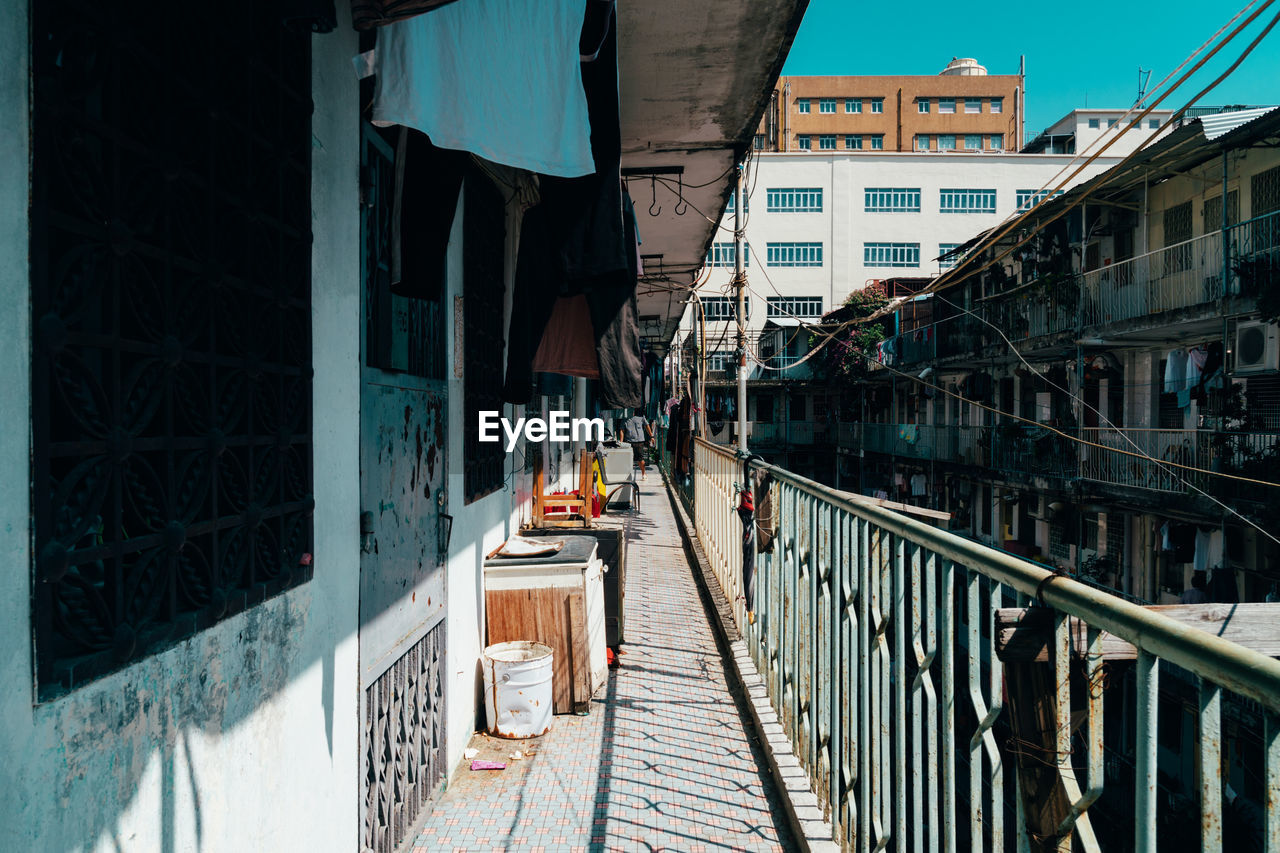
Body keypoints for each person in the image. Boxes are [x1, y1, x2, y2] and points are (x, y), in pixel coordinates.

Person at [623, 408, 653, 479]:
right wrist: (621, 442)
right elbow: (622, 429)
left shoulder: (641, 416)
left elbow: (647, 425)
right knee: (629, 459)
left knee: (640, 459)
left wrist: (651, 436)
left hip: (639, 441)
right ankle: (628, 476)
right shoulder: (625, 418)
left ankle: (643, 473)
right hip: (629, 441)